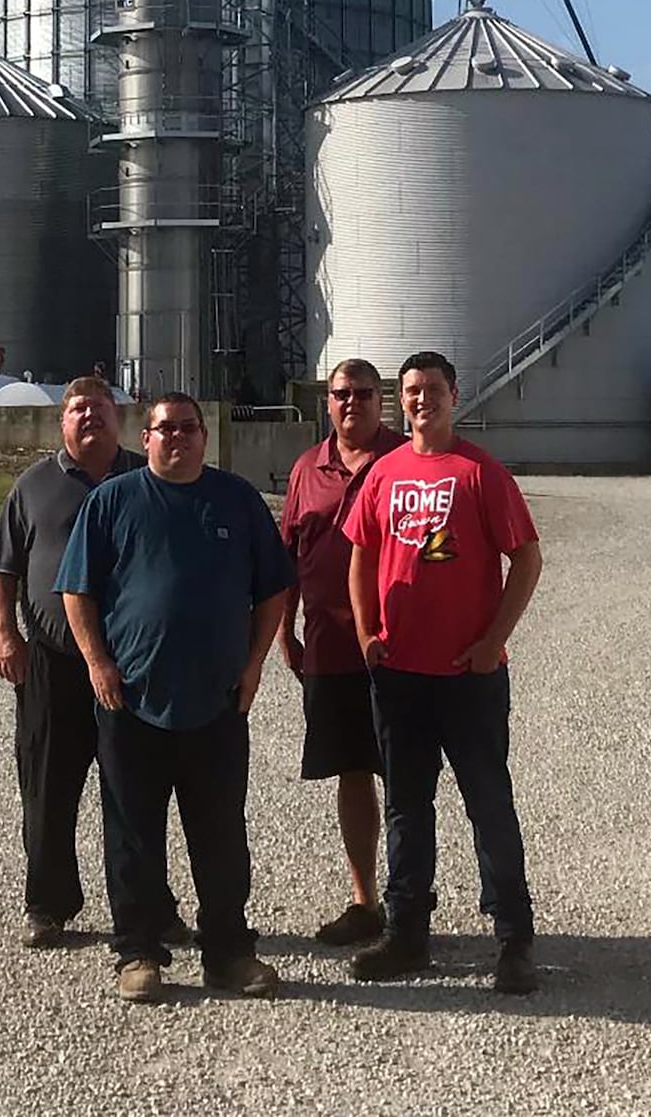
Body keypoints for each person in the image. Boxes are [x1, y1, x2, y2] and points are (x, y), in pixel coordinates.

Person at [57, 392, 294, 1004]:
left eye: (189, 429)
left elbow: (273, 589)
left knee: (219, 833)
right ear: (148, 436)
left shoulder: (236, 501)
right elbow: (76, 590)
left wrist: (255, 663)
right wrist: (98, 663)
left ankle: (228, 953)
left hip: (217, 700)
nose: (178, 438)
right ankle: (138, 952)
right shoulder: (113, 501)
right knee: (133, 831)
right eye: (165, 429)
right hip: (131, 699)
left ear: (204, 437)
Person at [344, 350, 543, 995]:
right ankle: (407, 935)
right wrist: (365, 632)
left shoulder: (480, 473)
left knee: (488, 802)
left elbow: (528, 559)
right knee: (406, 806)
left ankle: (512, 939)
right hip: (400, 674)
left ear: (455, 395)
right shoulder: (384, 473)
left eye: (431, 389)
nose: (420, 399)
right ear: (401, 401)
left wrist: (493, 642)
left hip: (469, 675)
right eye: (410, 391)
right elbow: (361, 554)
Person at [0, 375, 182, 947]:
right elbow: (2, 567)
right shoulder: (34, 486)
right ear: (62, 422)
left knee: (138, 794)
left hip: (132, 665)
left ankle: (152, 908)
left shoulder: (145, 479)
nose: (89, 417)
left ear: (120, 419)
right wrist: (5, 634)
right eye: (77, 410)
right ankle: (49, 904)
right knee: (48, 787)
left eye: (99, 408)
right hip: (54, 662)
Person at [278, 357, 405, 944]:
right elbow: (286, 559)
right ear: (324, 402)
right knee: (353, 772)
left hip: (400, 647)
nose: (350, 402)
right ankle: (366, 901)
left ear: (383, 401)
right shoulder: (308, 468)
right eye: (340, 394)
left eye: (362, 393)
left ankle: (411, 902)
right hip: (329, 646)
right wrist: (285, 631)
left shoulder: (406, 460)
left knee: (410, 775)